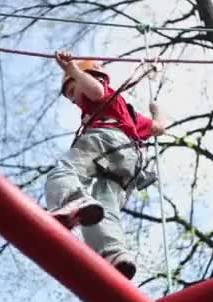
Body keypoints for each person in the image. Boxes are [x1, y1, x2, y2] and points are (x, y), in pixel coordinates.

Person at [45, 51, 166, 280]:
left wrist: (73, 70)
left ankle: (70, 198)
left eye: (73, 92)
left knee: (65, 171)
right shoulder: (130, 115)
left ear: (92, 76)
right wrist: (156, 111)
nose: (74, 100)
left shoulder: (102, 93)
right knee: (104, 206)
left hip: (105, 140)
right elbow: (159, 128)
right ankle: (113, 254)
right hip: (129, 160)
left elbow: (96, 90)